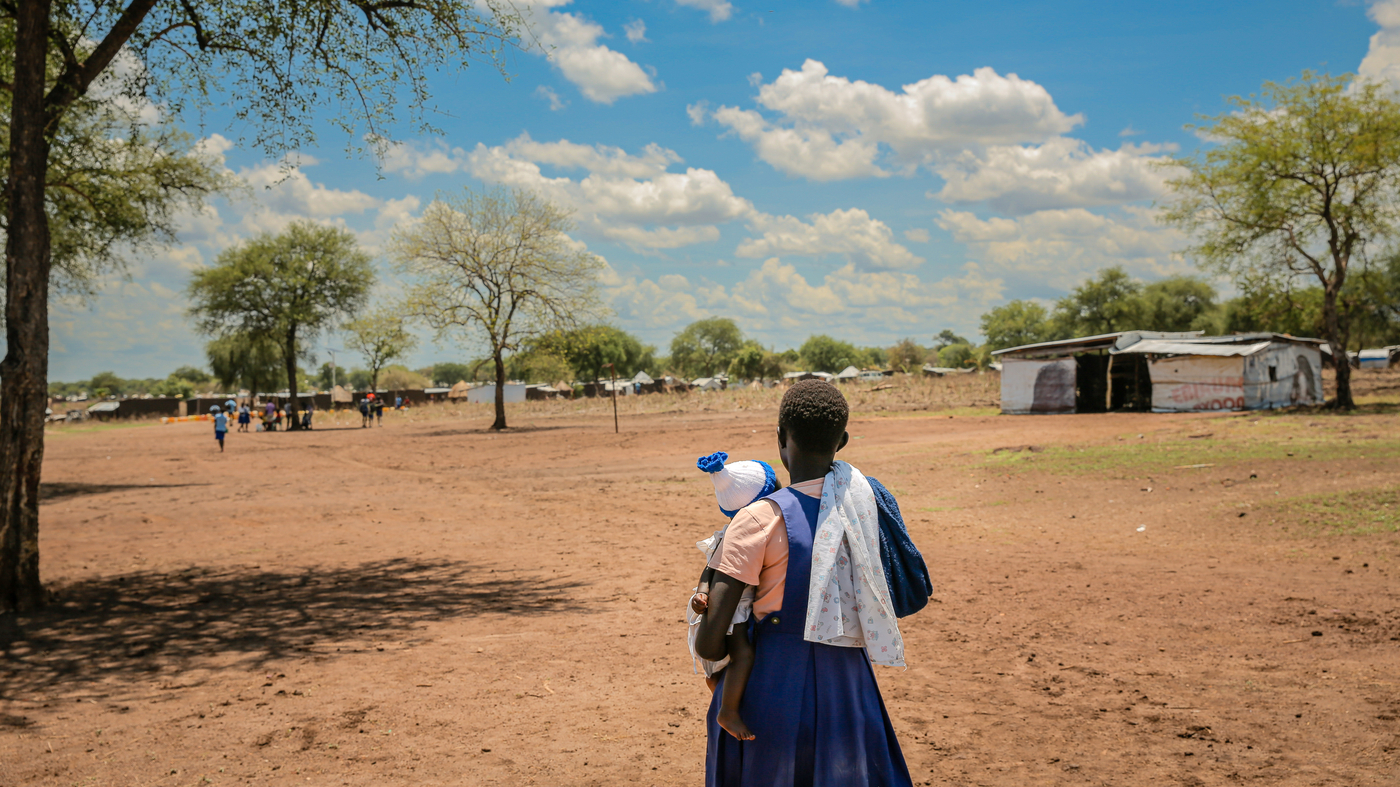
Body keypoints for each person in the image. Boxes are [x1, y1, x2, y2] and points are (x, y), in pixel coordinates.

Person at [696, 380, 912, 786]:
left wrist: (733, 653)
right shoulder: (866, 507)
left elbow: (707, 642)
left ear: (780, 438)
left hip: (770, 687)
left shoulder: (757, 519)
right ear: (842, 441)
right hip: (849, 685)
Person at [687, 452, 781, 742]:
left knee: (728, 660)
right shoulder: (746, 532)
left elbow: (708, 570)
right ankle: (727, 710)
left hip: (729, 604)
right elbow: (710, 571)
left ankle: (719, 688)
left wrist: (703, 590)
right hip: (732, 608)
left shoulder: (731, 530)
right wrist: (702, 593)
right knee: (743, 654)